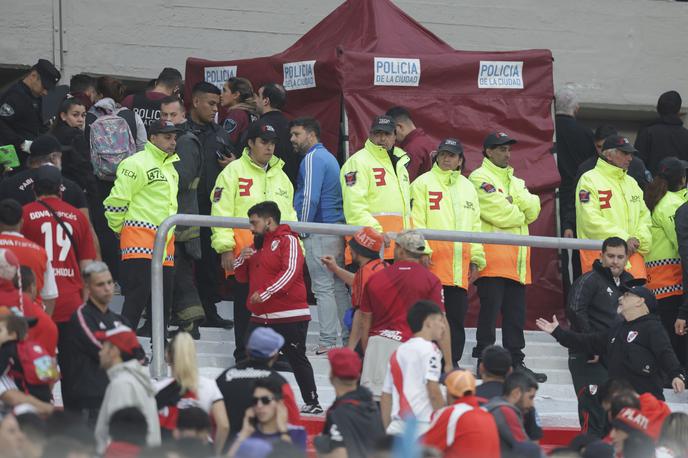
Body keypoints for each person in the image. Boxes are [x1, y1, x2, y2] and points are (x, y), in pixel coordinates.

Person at [211, 120, 296, 360]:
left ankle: (270, 356)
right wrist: (225, 247)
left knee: (274, 308)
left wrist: (295, 251)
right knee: (246, 308)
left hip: (276, 255)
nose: (269, 148)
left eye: (272, 143)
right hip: (245, 254)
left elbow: (290, 217)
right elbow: (221, 211)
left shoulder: (282, 176)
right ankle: (243, 354)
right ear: (250, 143)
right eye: (264, 142)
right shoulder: (233, 171)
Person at [468, 131, 544, 382]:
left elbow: (534, 208)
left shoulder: (516, 180)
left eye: (508, 149)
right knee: (489, 315)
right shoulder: (479, 177)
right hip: (493, 258)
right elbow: (501, 213)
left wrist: (515, 205)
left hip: (518, 261)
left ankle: (516, 362)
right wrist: (517, 209)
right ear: (488, 151)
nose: (507, 153)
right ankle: (483, 360)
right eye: (501, 149)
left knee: (515, 316)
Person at [233, 201, 321, 414]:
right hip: (260, 315)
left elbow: (290, 272)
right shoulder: (255, 246)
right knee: (250, 357)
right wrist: (241, 260)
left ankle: (312, 402)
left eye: (254, 223)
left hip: (290, 314)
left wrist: (265, 292)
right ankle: (249, 402)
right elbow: (240, 276)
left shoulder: (289, 240)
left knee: (296, 358)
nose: (251, 228)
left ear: (269, 221)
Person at [536, 282, 686, 400]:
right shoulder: (617, 329)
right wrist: (558, 332)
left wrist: (677, 375)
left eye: (627, 295)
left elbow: (665, 352)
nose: (620, 298)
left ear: (640, 301)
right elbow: (586, 341)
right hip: (619, 404)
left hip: (645, 405)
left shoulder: (653, 327)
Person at [411, 138, 485, 365]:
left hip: (458, 270)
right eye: (442, 154)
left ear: (460, 160)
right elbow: (415, 220)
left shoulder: (468, 187)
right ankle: (427, 363)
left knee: (455, 321)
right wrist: (423, 249)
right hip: (431, 267)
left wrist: (476, 257)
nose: (446, 158)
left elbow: (475, 226)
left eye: (451, 155)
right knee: (428, 318)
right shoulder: (422, 183)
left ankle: (451, 365)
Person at [103, 119, 180, 335]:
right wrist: (121, 229)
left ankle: (159, 347)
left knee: (164, 300)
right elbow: (116, 201)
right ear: (152, 138)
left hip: (165, 243)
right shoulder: (135, 163)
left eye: (174, 138)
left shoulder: (170, 168)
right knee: (137, 297)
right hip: (139, 239)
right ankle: (123, 347)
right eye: (167, 137)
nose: (172, 142)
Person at [358, 231, 451, 400]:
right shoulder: (431, 280)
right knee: (410, 407)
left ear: (399, 249)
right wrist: (449, 363)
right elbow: (441, 322)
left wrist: (368, 352)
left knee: (377, 408)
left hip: (378, 346)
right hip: (413, 348)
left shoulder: (375, 279)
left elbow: (365, 321)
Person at [290, 116, 348, 353]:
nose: (292, 139)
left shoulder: (313, 158)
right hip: (334, 230)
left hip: (321, 230)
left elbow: (309, 198)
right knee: (338, 288)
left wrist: (303, 228)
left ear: (311, 135)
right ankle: (346, 339)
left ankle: (326, 341)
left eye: (296, 134)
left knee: (324, 288)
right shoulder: (328, 157)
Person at [565, 237, 633, 437]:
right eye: (610, 256)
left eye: (620, 257)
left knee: (612, 413)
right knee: (593, 409)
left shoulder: (629, 284)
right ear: (601, 256)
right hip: (588, 355)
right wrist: (591, 344)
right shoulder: (589, 279)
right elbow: (575, 310)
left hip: (614, 356)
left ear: (626, 258)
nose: (615, 261)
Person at [188, 81, 235, 330]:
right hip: (183, 209)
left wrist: (233, 164)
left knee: (208, 263)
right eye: (210, 103)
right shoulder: (180, 132)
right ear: (195, 102)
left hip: (211, 208)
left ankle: (210, 310)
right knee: (183, 265)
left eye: (217, 104)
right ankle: (184, 314)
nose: (215, 109)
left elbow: (235, 166)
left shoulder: (220, 134)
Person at [21, 164, 96, 322]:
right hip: (71, 302)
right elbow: (87, 267)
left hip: (35, 302)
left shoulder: (24, 215)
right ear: (60, 189)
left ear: (34, 188)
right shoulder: (78, 217)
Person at [59, 261, 128, 426]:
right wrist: (123, 350)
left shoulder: (120, 320)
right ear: (88, 288)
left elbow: (139, 356)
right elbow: (98, 348)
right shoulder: (80, 318)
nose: (107, 288)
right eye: (100, 284)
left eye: (110, 282)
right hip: (88, 402)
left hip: (114, 398)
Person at [159, 96, 206, 338]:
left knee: (179, 274)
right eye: (164, 115)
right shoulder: (173, 141)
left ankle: (191, 323)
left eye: (173, 115)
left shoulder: (186, 142)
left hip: (182, 222)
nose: (168, 120)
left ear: (184, 115)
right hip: (173, 219)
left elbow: (182, 178)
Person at [576, 134, 652, 279]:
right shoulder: (589, 180)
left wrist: (638, 240)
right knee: (605, 302)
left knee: (635, 301)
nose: (630, 158)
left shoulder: (632, 183)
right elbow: (589, 220)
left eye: (631, 154)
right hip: (601, 260)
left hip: (633, 261)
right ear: (609, 155)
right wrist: (625, 240)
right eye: (625, 153)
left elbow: (645, 218)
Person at [340, 115, 411, 260]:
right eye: (377, 134)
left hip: (396, 249)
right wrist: (377, 233)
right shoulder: (358, 162)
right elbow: (354, 207)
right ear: (370, 135)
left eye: (387, 134)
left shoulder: (400, 164)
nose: (382, 138)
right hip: (367, 247)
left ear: (395, 136)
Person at [216, 327, 300, 441]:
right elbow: (293, 422)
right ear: (275, 356)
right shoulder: (279, 383)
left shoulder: (223, 377)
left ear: (247, 351)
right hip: (267, 450)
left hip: (228, 448)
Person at [644, 156, 688, 366]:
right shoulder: (672, 204)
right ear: (681, 179)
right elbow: (681, 240)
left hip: (659, 282)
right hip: (673, 282)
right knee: (676, 340)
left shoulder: (658, 198)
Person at [154, 332, 229, 454]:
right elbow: (224, 425)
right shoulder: (209, 385)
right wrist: (216, 454)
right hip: (201, 450)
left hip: (168, 450)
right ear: (193, 356)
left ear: (167, 356)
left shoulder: (157, 388)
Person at [380, 300, 446, 436]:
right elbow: (433, 390)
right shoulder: (431, 350)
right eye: (440, 320)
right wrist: (443, 423)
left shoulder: (397, 352)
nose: (443, 326)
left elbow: (386, 395)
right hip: (422, 427)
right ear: (428, 322)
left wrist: (387, 429)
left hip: (396, 426)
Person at [94, 325, 161, 453]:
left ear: (115, 351)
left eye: (104, 346)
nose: (100, 352)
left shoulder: (122, 384)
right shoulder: (134, 379)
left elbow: (117, 436)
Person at [554, 88, 597, 292]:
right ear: (577, 108)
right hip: (578, 197)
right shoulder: (585, 133)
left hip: (548, 197)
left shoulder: (548, 130)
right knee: (574, 251)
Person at [321, 227, 388, 352]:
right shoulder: (381, 267)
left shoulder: (366, 273)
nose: (349, 250)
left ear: (360, 251)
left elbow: (361, 315)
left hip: (369, 339)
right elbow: (357, 281)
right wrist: (335, 269)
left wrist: (350, 350)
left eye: (351, 247)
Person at [313, 348, 385, 458]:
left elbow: (340, 454)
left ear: (332, 375)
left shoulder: (338, 413)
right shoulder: (370, 405)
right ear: (358, 376)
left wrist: (321, 446)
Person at [423, 370, 500, 458]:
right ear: (473, 391)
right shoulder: (487, 414)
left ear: (448, 391)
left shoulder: (453, 413)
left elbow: (422, 445)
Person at [0, 134, 88, 211]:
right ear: (53, 157)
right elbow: (86, 225)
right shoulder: (72, 188)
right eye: (60, 157)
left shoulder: (8, 185)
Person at [476, 345, 543, 442]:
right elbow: (534, 441)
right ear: (510, 371)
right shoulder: (522, 400)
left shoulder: (466, 396)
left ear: (481, 368)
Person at [0, 59, 60, 165]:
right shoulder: (14, 96)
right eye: (44, 87)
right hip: (11, 156)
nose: (46, 92)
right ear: (33, 76)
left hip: (29, 158)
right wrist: (22, 144)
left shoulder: (35, 96)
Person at [227, 378, 308, 457]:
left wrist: (283, 431)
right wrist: (243, 435)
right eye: (255, 401)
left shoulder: (297, 432)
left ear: (279, 404)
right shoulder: (245, 434)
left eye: (266, 400)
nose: (259, 405)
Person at [0, 198, 57, 308]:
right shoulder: (40, 252)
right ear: (22, 222)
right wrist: (43, 322)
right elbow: (50, 296)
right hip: (31, 317)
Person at [50, 98, 99, 211]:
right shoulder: (76, 136)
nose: (81, 119)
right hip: (74, 189)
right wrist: (93, 191)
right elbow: (84, 166)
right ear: (63, 116)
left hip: (51, 187)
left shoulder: (50, 135)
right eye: (75, 115)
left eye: (83, 115)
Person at [577, 125, 650, 190]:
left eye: (607, 146)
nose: (603, 151)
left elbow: (645, 193)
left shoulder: (636, 165)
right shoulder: (586, 168)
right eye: (599, 147)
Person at [485, 371, 539, 458]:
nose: (532, 404)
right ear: (516, 393)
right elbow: (528, 451)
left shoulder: (492, 405)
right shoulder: (505, 412)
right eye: (530, 397)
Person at [635, 90, 688, 174]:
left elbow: (637, 165)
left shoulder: (647, 132)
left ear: (658, 108)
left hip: (651, 185)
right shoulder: (686, 135)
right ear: (678, 110)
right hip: (680, 185)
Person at [255, 83, 298, 185]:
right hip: (289, 187)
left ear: (266, 101)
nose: (255, 100)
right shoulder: (292, 127)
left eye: (258, 96)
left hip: (267, 186)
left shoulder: (258, 127)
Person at [385, 106, 435, 181]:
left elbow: (405, 181)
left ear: (399, 127)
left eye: (392, 131)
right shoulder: (428, 142)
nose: (392, 136)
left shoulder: (412, 149)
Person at [219, 77, 258, 145]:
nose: (221, 95)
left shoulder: (236, 114)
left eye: (224, 91)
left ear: (236, 95)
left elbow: (226, 142)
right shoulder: (251, 113)